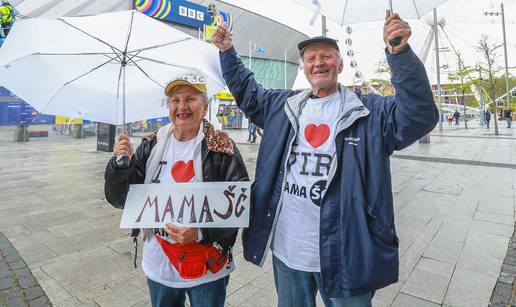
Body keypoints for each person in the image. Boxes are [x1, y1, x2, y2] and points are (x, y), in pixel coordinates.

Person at [213, 12, 438, 307]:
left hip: (346, 252)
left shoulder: (371, 112)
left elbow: (419, 115)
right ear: (304, 68)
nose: (318, 62)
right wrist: (228, 52)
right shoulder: (282, 106)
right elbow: (247, 91)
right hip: (288, 249)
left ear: (340, 64)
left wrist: (400, 53)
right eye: (310, 58)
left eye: (326, 56)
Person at [104, 73, 249, 307]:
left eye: (190, 99)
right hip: (159, 263)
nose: (182, 106)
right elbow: (120, 199)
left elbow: (239, 207)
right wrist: (120, 165)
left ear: (204, 105)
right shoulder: (150, 145)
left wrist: (201, 232)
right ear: (168, 106)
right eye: (175, 100)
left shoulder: (222, 147)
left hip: (208, 268)